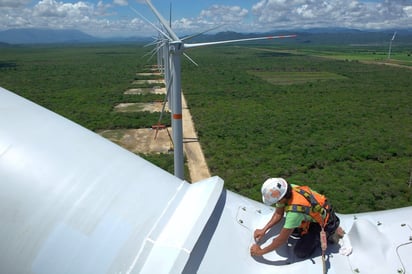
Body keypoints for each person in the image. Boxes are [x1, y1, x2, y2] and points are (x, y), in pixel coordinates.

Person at [250, 178, 343, 258]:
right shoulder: (290, 189)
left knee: (300, 252)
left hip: (324, 223)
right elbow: (278, 214)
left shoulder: (294, 213)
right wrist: (263, 230)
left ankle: (329, 234)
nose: (277, 203)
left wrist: (260, 252)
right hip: (319, 213)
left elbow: (281, 240)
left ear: (282, 198)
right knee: (293, 230)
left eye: (277, 201)